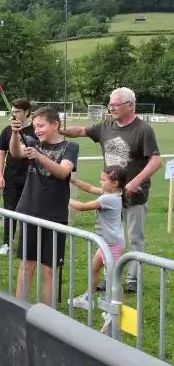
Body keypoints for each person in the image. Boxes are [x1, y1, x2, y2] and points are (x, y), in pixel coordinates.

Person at [61, 87, 161, 293]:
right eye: (110, 104)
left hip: (135, 196)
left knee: (134, 238)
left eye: (115, 105)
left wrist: (136, 182)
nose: (111, 108)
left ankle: (133, 279)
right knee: (109, 238)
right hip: (111, 196)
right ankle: (110, 276)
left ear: (130, 106)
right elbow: (81, 131)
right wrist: (60, 130)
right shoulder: (106, 126)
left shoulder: (143, 130)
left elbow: (156, 161)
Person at [9, 107, 78, 305]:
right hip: (30, 211)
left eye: (41, 125)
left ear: (55, 125)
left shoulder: (70, 147)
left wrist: (39, 156)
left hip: (55, 215)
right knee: (26, 264)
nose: (36, 130)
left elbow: (63, 172)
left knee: (49, 268)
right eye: (34, 126)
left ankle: (49, 315)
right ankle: (19, 307)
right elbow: (15, 152)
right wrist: (15, 133)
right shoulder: (32, 142)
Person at [68, 165, 127, 309]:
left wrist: (63, 199)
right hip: (105, 244)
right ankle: (87, 298)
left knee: (113, 279)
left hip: (112, 245)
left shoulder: (110, 199)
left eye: (103, 179)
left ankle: (118, 309)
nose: (100, 182)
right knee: (94, 269)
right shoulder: (110, 193)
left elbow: (82, 207)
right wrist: (73, 181)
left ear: (115, 183)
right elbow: (89, 188)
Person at [0, 98, 37, 255]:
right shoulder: (7, 130)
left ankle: (27, 243)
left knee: (29, 211)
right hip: (11, 176)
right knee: (9, 210)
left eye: (18, 111)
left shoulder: (36, 130)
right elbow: (0, 153)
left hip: (30, 177)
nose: (14, 114)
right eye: (12, 111)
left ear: (26, 112)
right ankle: (6, 242)